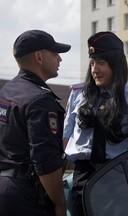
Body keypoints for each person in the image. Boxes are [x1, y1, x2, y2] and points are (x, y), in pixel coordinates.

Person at [63, 31, 128, 216]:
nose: (95, 69)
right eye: (92, 63)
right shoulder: (78, 95)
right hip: (82, 180)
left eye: (101, 63)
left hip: (119, 181)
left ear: (117, 65)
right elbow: (64, 142)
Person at [0, 30, 71, 216]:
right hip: (27, 197)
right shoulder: (40, 100)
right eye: (55, 53)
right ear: (39, 57)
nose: (60, 59)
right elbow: (45, 161)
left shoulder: (6, 92)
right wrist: (60, 203)